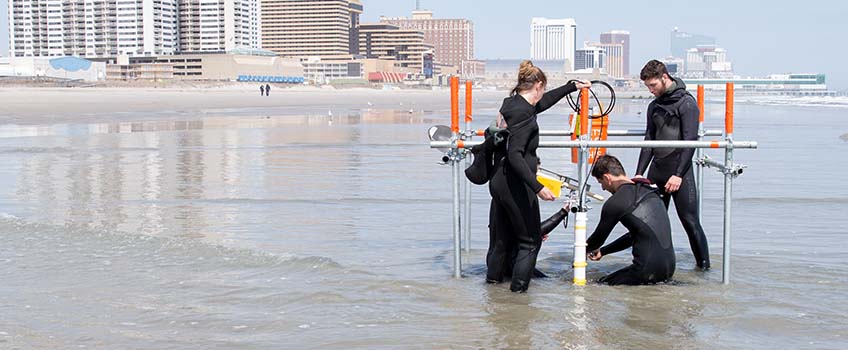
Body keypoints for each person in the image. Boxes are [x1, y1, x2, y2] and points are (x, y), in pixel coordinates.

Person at [488, 60, 590, 292]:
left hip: (498, 181)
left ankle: (492, 290)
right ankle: (518, 298)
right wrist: (537, 187)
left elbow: (540, 104)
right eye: (543, 89)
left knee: (501, 242)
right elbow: (515, 155)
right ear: (538, 85)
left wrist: (572, 87)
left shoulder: (511, 104)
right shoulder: (523, 114)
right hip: (515, 182)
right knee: (530, 242)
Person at [635, 59, 711, 270]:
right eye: (648, 86)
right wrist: (640, 173)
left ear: (665, 77)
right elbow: (649, 140)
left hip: (680, 173)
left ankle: (703, 268)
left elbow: (690, 141)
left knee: (689, 221)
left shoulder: (686, 103)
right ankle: (652, 264)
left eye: (653, 85)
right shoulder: (655, 105)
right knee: (651, 222)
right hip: (656, 171)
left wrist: (678, 174)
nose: (651, 90)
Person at [586, 154, 676, 285]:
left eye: (601, 182)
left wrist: (579, 252)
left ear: (607, 177)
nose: (603, 188)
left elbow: (597, 240)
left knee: (598, 285)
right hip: (668, 269)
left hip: (644, 272)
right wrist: (604, 251)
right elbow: (638, 234)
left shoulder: (616, 202)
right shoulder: (650, 191)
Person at [487, 201, 570, 283]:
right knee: (549, 281)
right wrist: (563, 212)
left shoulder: (497, 199)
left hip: (493, 261)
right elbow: (533, 233)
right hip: (512, 264)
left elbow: (509, 233)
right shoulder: (516, 199)